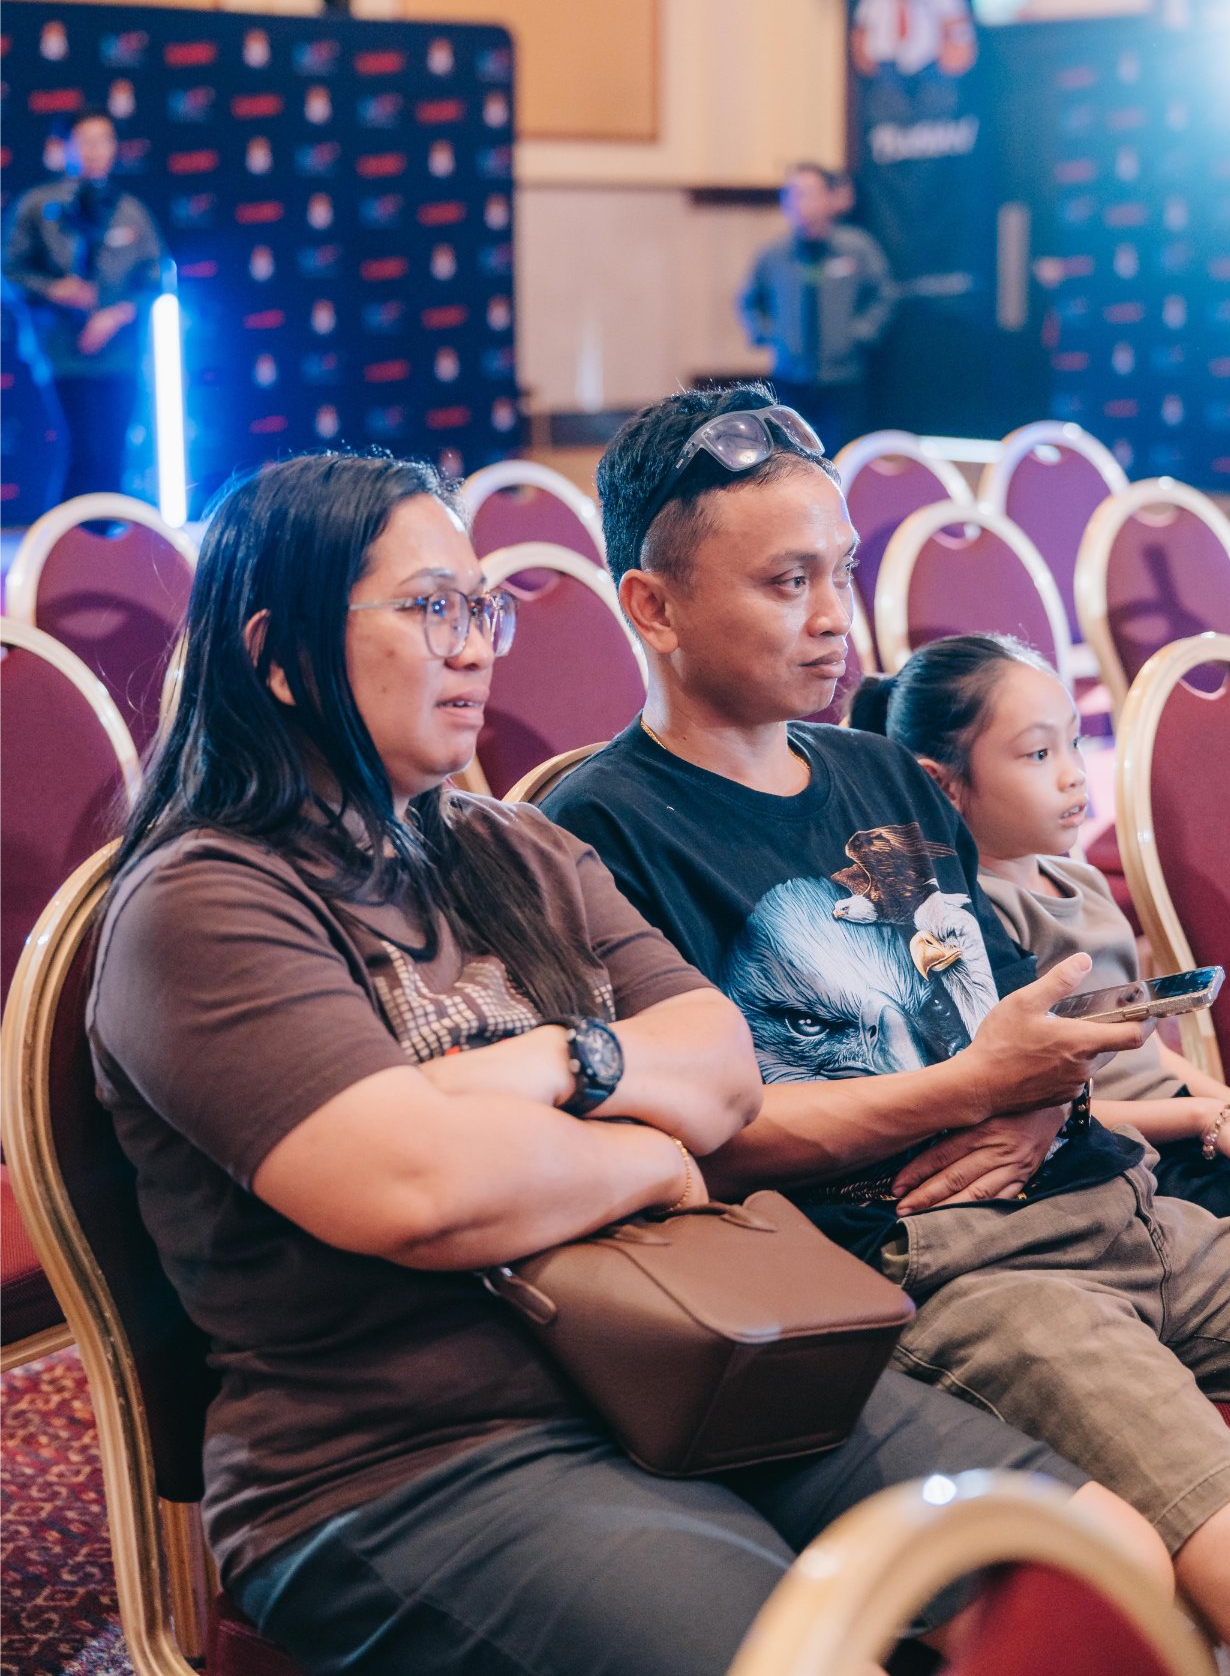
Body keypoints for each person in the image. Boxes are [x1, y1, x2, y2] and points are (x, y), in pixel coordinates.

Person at [89, 450, 1148, 1676]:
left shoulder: (513, 846)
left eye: (481, 607)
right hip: (415, 1455)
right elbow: (416, 1190)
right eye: (430, 607)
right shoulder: (204, 903)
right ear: (277, 653)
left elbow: (721, 1068)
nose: (475, 648)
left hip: (688, 1356)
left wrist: (564, 1063)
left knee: (1095, 1570)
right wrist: (651, 1158)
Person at [543, 382, 1230, 1676]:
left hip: (1119, 1202)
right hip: (956, 1273)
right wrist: (973, 1085)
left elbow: (1011, 1017)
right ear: (654, 606)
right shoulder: (599, 827)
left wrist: (1038, 1092)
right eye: (786, 581)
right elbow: (695, 1140)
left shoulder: (878, 772)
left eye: (841, 572)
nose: (833, 616)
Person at [847, 634, 1230, 1246]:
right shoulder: (973, 923)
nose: (1074, 775)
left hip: (1180, 1123)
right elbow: (1025, 1115)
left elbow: (1143, 1053)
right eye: (1039, 753)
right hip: (1127, 1158)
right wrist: (1207, 1116)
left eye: (1074, 742)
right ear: (940, 785)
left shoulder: (1078, 880)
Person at [3, 110, 163, 499]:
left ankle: (107, 533)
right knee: (83, 451)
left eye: (104, 140)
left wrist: (117, 315)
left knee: (113, 454)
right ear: (65, 148)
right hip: (63, 352)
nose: (95, 150)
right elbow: (10, 272)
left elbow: (155, 278)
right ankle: (72, 535)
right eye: (86, 141)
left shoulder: (130, 210)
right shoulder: (38, 207)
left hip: (121, 352)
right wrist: (55, 289)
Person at [736, 162, 895, 454]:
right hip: (789, 379)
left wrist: (860, 333)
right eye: (791, 194)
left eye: (808, 193)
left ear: (830, 198)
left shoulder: (856, 248)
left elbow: (884, 294)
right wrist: (770, 335)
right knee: (791, 457)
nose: (800, 202)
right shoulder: (773, 254)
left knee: (843, 455)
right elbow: (749, 302)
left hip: (844, 379)